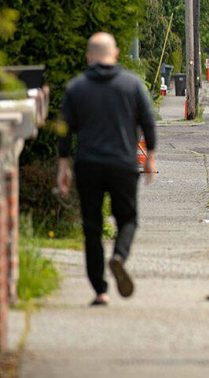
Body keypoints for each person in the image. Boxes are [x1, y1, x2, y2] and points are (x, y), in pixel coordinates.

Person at [58, 32, 156, 306]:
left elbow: (64, 129)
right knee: (128, 219)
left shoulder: (76, 87)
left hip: (88, 164)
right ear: (115, 54)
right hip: (122, 164)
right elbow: (148, 122)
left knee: (91, 227)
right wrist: (150, 156)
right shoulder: (131, 85)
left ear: (88, 57)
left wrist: (63, 164)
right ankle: (119, 256)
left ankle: (100, 290)